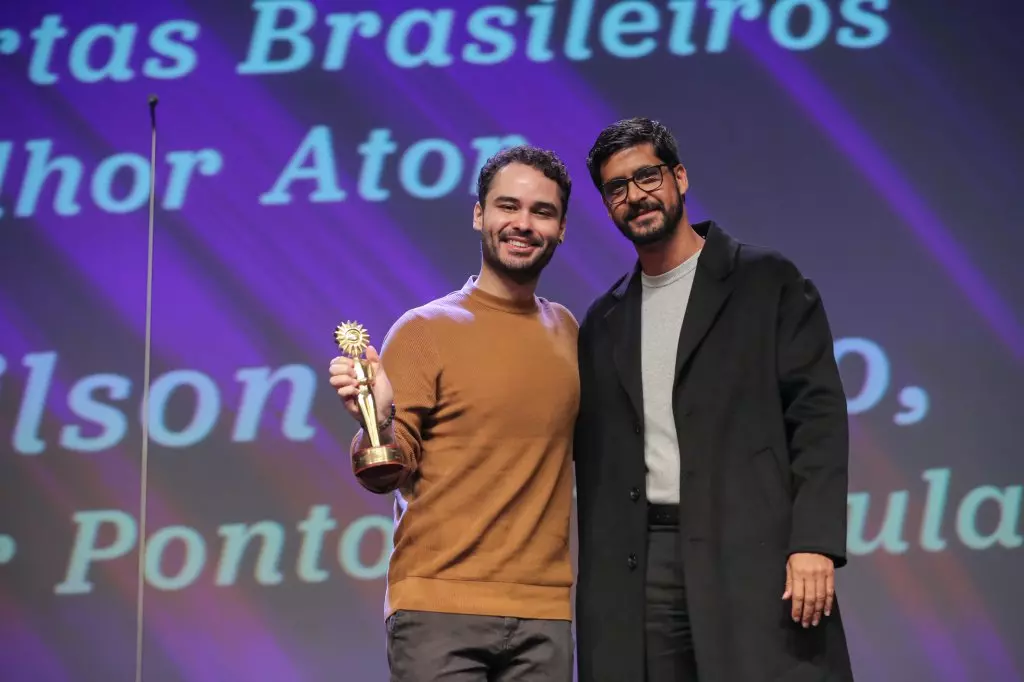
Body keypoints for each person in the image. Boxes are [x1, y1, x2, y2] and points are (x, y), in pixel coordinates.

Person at [572, 117, 855, 682]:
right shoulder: (604, 320)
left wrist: (814, 544)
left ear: (679, 177)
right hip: (643, 563)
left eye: (647, 176)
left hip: (754, 552)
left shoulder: (765, 281)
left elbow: (817, 417)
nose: (635, 196)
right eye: (616, 188)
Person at [328, 145, 579, 682]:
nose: (522, 224)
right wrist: (374, 420)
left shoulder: (568, 332)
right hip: (440, 611)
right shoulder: (425, 330)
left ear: (561, 229)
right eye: (507, 206)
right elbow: (388, 472)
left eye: (542, 212)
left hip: (545, 614)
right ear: (478, 214)